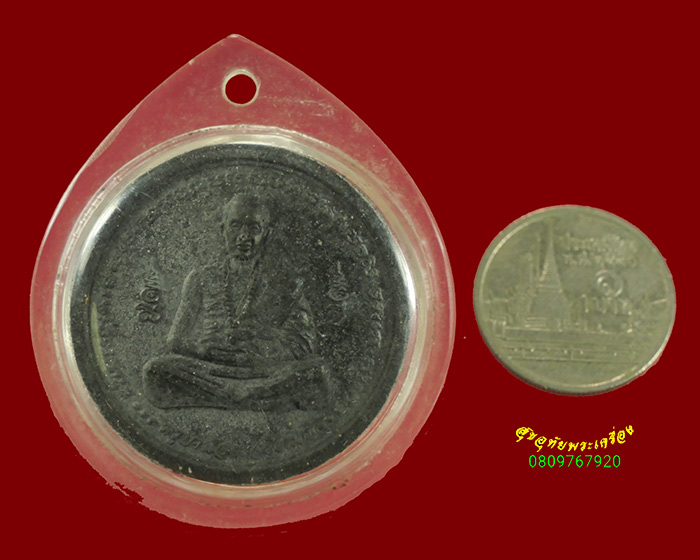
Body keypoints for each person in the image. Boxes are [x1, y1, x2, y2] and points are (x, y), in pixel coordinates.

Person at [143, 192, 327, 409]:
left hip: (261, 372)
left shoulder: (285, 282)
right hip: (209, 371)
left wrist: (262, 347)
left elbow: (305, 343)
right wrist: (202, 351)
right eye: (236, 226)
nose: (243, 236)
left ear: (266, 234)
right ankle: (249, 399)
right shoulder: (200, 278)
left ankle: (225, 399)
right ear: (223, 230)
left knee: (317, 373)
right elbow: (174, 341)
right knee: (155, 370)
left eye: (254, 228)